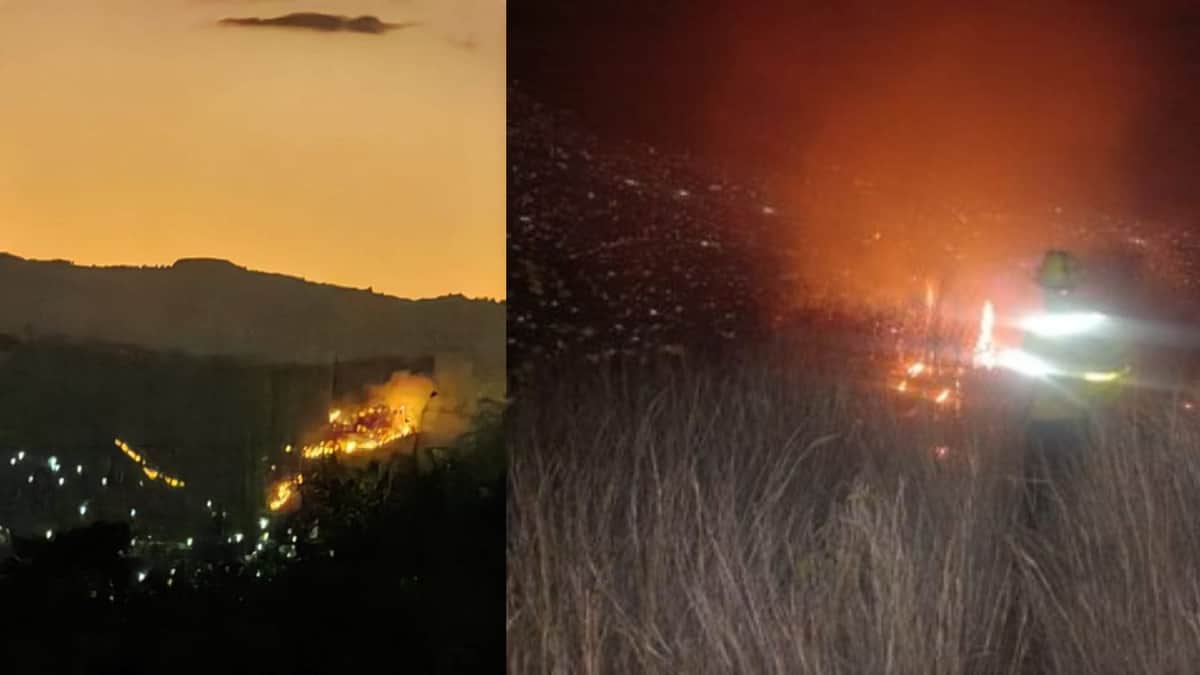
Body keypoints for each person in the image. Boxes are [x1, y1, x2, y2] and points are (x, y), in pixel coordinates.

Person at [1018, 249, 1131, 527]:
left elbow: (1025, 379)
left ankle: (1035, 543)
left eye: (1054, 288)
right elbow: (1118, 369)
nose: (1051, 295)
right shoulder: (1096, 324)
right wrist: (1098, 402)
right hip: (1077, 421)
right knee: (1069, 494)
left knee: (1039, 496)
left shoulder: (1037, 327)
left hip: (1048, 422)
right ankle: (1063, 544)